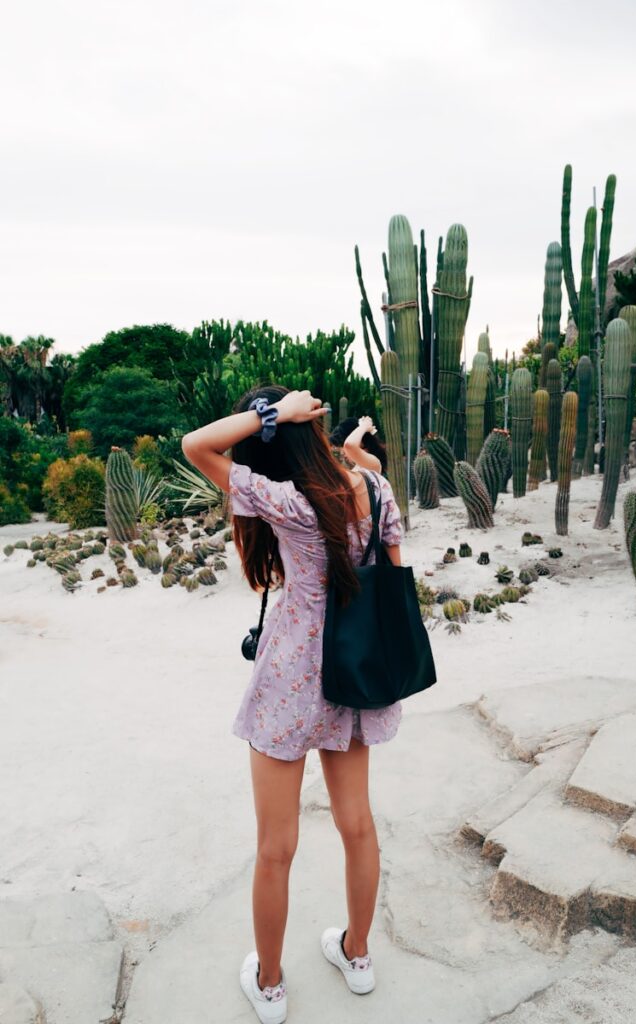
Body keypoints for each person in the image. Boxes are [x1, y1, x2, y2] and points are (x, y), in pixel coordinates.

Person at [181, 386, 404, 1024]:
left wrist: (272, 415)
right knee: (357, 824)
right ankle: (357, 956)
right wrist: (354, 453)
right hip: (354, 677)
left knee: (276, 846)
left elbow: (196, 445)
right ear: (318, 436)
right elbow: (390, 560)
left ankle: (271, 986)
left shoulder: (284, 500)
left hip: (290, 681)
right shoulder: (375, 490)